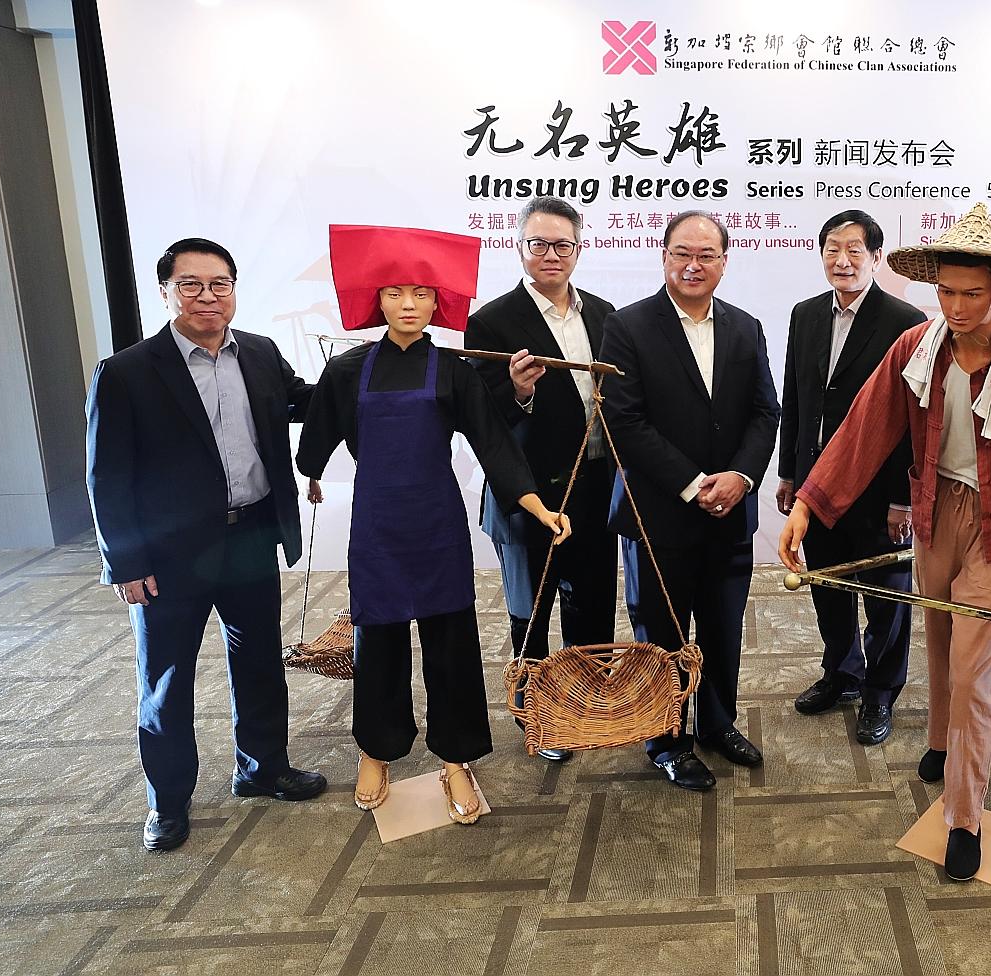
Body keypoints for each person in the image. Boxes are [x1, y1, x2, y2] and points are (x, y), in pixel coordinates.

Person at [779, 204, 991, 881]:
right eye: (947, 292)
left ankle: (965, 815)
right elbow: (864, 427)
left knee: (971, 671)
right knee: (936, 638)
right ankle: (939, 743)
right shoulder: (917, 348)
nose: (957, 307)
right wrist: (809, 505)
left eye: (972, 293)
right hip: (936, 512)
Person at [295, 224, 570, 823]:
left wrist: (536, 504)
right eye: (396, 293)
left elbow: (494, 444)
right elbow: (319, 429)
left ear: (436, 302)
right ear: (378, 300)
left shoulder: (454, 370)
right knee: (380, 641)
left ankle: (456, 759)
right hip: (376, 526)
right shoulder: (348, 370)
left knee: (451, 645)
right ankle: (377, 750)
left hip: (437, 524)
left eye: (421, 294)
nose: (409, 306)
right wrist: (311, 470)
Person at [86, 237, 326, 852]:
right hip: (170, 555)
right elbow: (106, 477)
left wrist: (370, 369)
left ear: (235, 290)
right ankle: (167, 802)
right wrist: (126, 561)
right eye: (191, 284)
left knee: (259, 660)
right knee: (167, 677)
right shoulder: (127, 372)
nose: (208, 296)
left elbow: (309, 404)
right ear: (165, 291)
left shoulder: (262, 354)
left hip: (249, 534)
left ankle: (263, 766)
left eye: (220, 283)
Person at [599, 210, 780, 791]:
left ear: (725, 262)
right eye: (682, 253)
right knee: (663, 636)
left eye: (706, 255)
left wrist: (742, 476)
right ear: (664, 257)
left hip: (732, 512)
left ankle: (718, 723)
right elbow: (624, 421)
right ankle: (666, 739)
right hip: (659, 518)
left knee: (724, 629)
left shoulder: (746, 327)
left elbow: (763, 413)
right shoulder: (627, 327)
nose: (693, 264)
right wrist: (694, 482)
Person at [466, 197, 618, 764]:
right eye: (538, 244)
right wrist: (520, 390)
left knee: (594, 603)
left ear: (580, 249)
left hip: (597, 484)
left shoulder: (604, 315)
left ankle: (586, 702)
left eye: (562, 245)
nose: (551, 255)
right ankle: (537, 714)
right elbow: (480, 421)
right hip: (528, 495)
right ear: (520, 247)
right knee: (530, 610)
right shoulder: (492, 322)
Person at [777, 210, 922, 745]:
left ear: (877, 258)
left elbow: (913, 420)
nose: (842, 260)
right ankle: (842, 674)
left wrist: (903, 499)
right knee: (829, 586)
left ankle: (881, 693)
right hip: (818, 484)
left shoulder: (904, 321)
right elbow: (796, 398)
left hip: (880, 490)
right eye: (832, 248)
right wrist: (792, 473)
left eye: (855, 250)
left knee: (887, 597)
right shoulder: (805, 314)